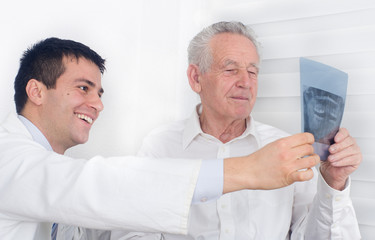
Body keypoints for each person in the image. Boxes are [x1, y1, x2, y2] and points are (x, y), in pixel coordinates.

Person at [0, 37, 319, 240]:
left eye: (99, 93)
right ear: (36, 91)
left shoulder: (48, 167)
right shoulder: (8, 159)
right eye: (83, 88)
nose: (97, 104)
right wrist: (247, 171)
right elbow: (98, 185)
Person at [110, 22, 362, 239]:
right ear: (196, 78)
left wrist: (333, 183)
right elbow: (133, 232)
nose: (246, 82)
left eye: (253, 71)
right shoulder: (160, 146)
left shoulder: (286, 149)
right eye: (231, 70)